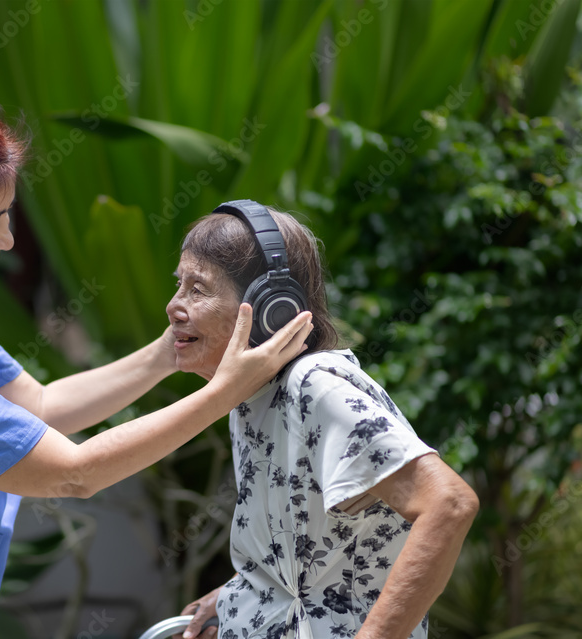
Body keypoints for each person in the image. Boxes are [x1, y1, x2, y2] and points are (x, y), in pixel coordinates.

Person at [0, 98, 313, 639]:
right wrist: (225, 392)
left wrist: (169, 351)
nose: (8, 240)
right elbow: (75, 472)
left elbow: (42, 406)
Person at [170, 203, 479, 639]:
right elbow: (319, 554)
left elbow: (449, 504)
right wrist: (234, 596)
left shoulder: (313, 386)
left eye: (197, 289)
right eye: (178, 285)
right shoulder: (252, 394)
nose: (174, 305)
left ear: (269, 307)